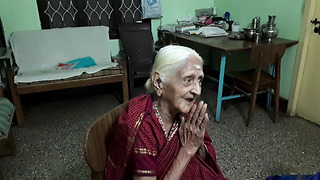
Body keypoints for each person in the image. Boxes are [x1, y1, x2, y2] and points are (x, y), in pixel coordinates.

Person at [105, 45, 227, 180]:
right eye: (188, 80)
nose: (197, 91)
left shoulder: (188, 110)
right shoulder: (143, 127)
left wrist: (198, 142)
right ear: (159, 82)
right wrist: (186, 151)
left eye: (199, 80)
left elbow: (203, 158)